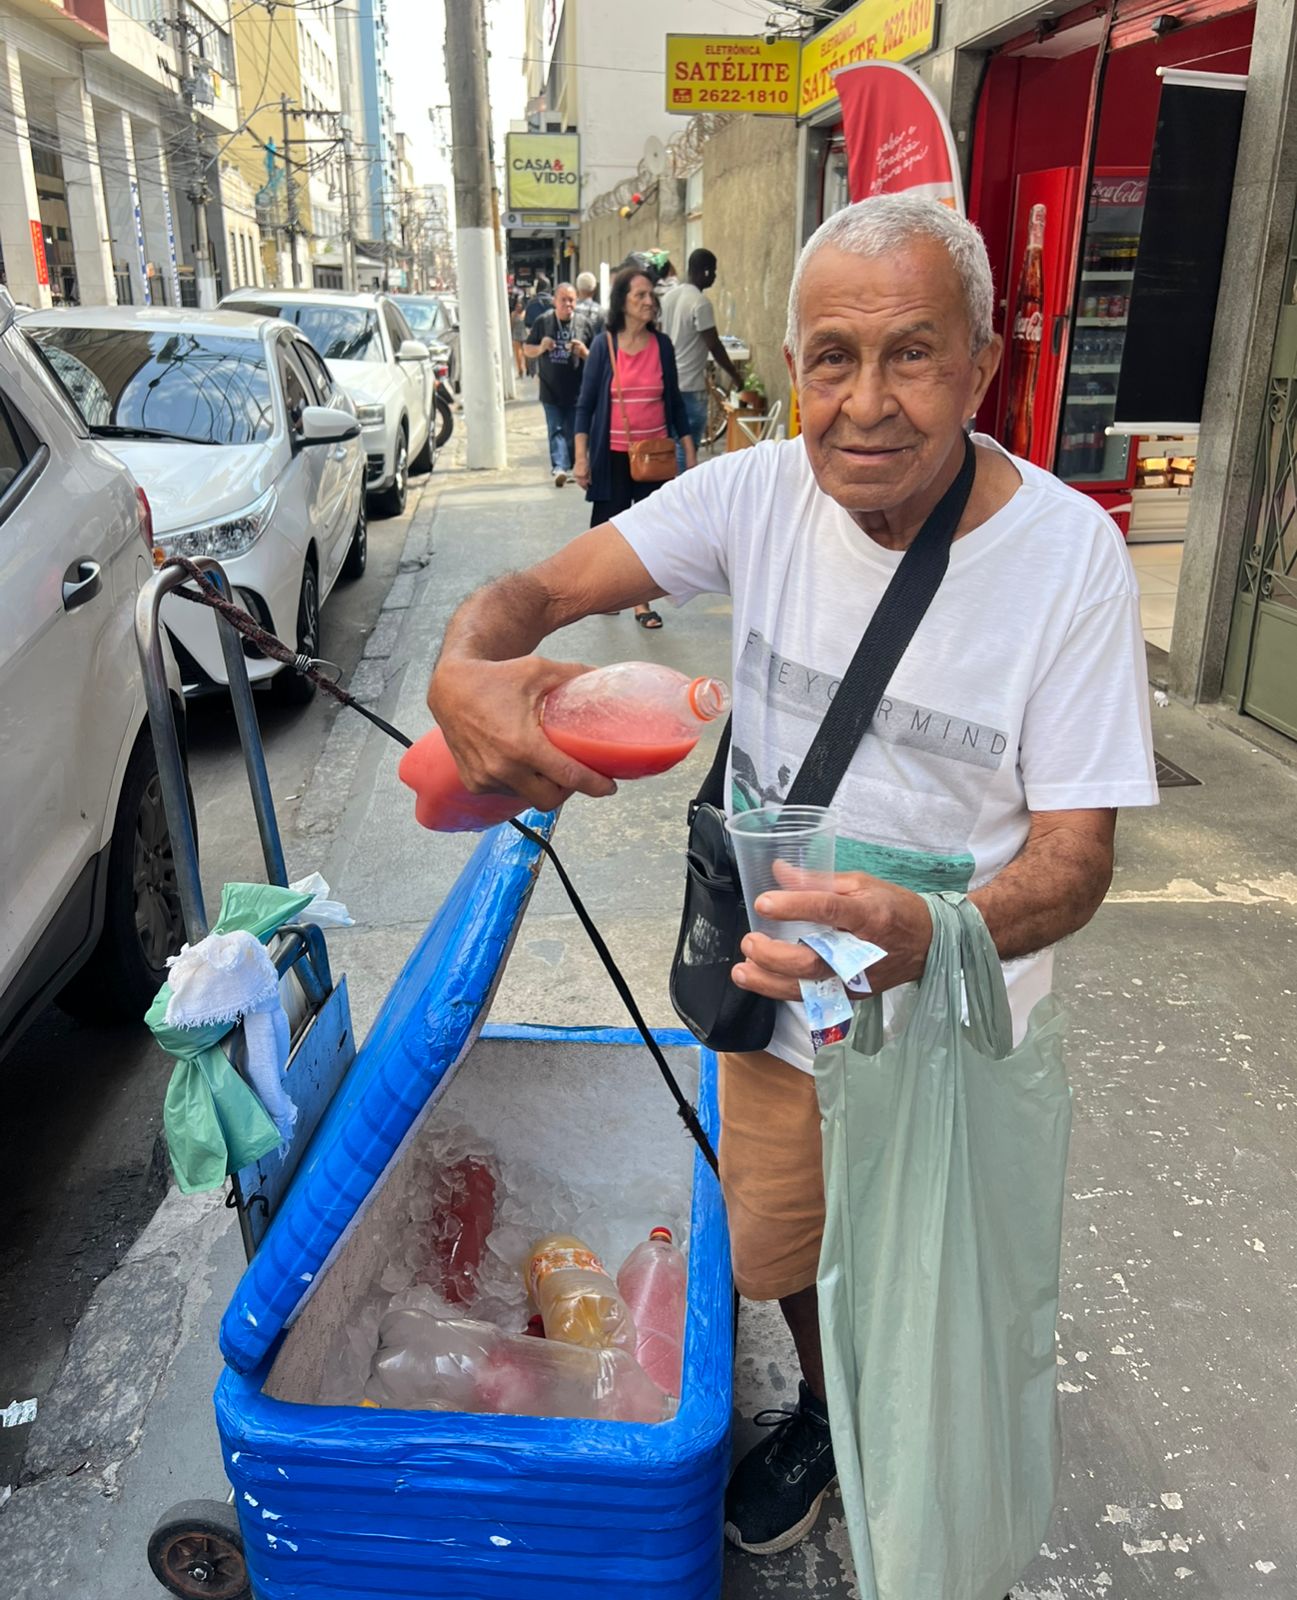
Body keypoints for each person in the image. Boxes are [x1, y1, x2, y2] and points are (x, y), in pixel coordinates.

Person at [424, 196, 1156, 1563]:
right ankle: (825, 1406)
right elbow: (530, 595)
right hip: (779, 993)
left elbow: (1072, 863)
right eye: (831, 357)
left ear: (983, 366)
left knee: (945, 1318)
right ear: (790, 367)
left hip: (949, 1016)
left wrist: (926, 929)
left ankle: (921, 1487)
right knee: (783, 1253)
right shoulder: (757, 492)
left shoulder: (1069, 563)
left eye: (911, 357)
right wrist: (465, 672)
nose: (865, 404)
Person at [571, 263, 695, 629]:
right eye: (639, 295)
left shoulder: (663, 346)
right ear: (622, 302)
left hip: (654, 455)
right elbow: (585, 405)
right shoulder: (603, 346)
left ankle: (641, 603)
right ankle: (610, 592)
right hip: (611, 455)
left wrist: (688, 449)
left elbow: (674, 402)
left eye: (650, 294)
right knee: (610, 530)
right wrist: (580, 458)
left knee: (650, 531)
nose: (648, 301)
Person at [659, 247, 743, 470]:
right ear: (704, 272)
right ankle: (678, 496)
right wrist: (736, 376)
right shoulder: (700, 302)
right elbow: (714, 344)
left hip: (667, 382)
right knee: (686, 447)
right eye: (713, 271)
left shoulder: (669, 298)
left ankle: (670, 492)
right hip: (691, 386)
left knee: (673, 442)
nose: (715, 276)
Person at [522, 282, 590, 488]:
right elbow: (527, 349)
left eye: (571, 300)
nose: (567, 304)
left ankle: (570, 467)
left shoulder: (584, 324)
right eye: (563, 300)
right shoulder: (543, 322)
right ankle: (559, 467)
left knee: (573, 431)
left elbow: (598, 358)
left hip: (577, 390)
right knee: (556, 429)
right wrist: (541, 347)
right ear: (554, 301)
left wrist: (584, 353)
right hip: (550, 388)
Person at [574, 270, 604, 339]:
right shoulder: (601, 311)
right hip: (594, 348)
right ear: (594, 289)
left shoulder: (570, 309)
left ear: (577, 288)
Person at [510, 293, 528, 380]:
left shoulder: (526, 313)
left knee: (526, 354)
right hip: (516, 335)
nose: (518, 307)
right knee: (518, 355)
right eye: (517, 305)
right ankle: (520, 371)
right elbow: (511, 325)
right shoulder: (513, 314)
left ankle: (527, 368)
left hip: (525, 335)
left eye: (520, 305)